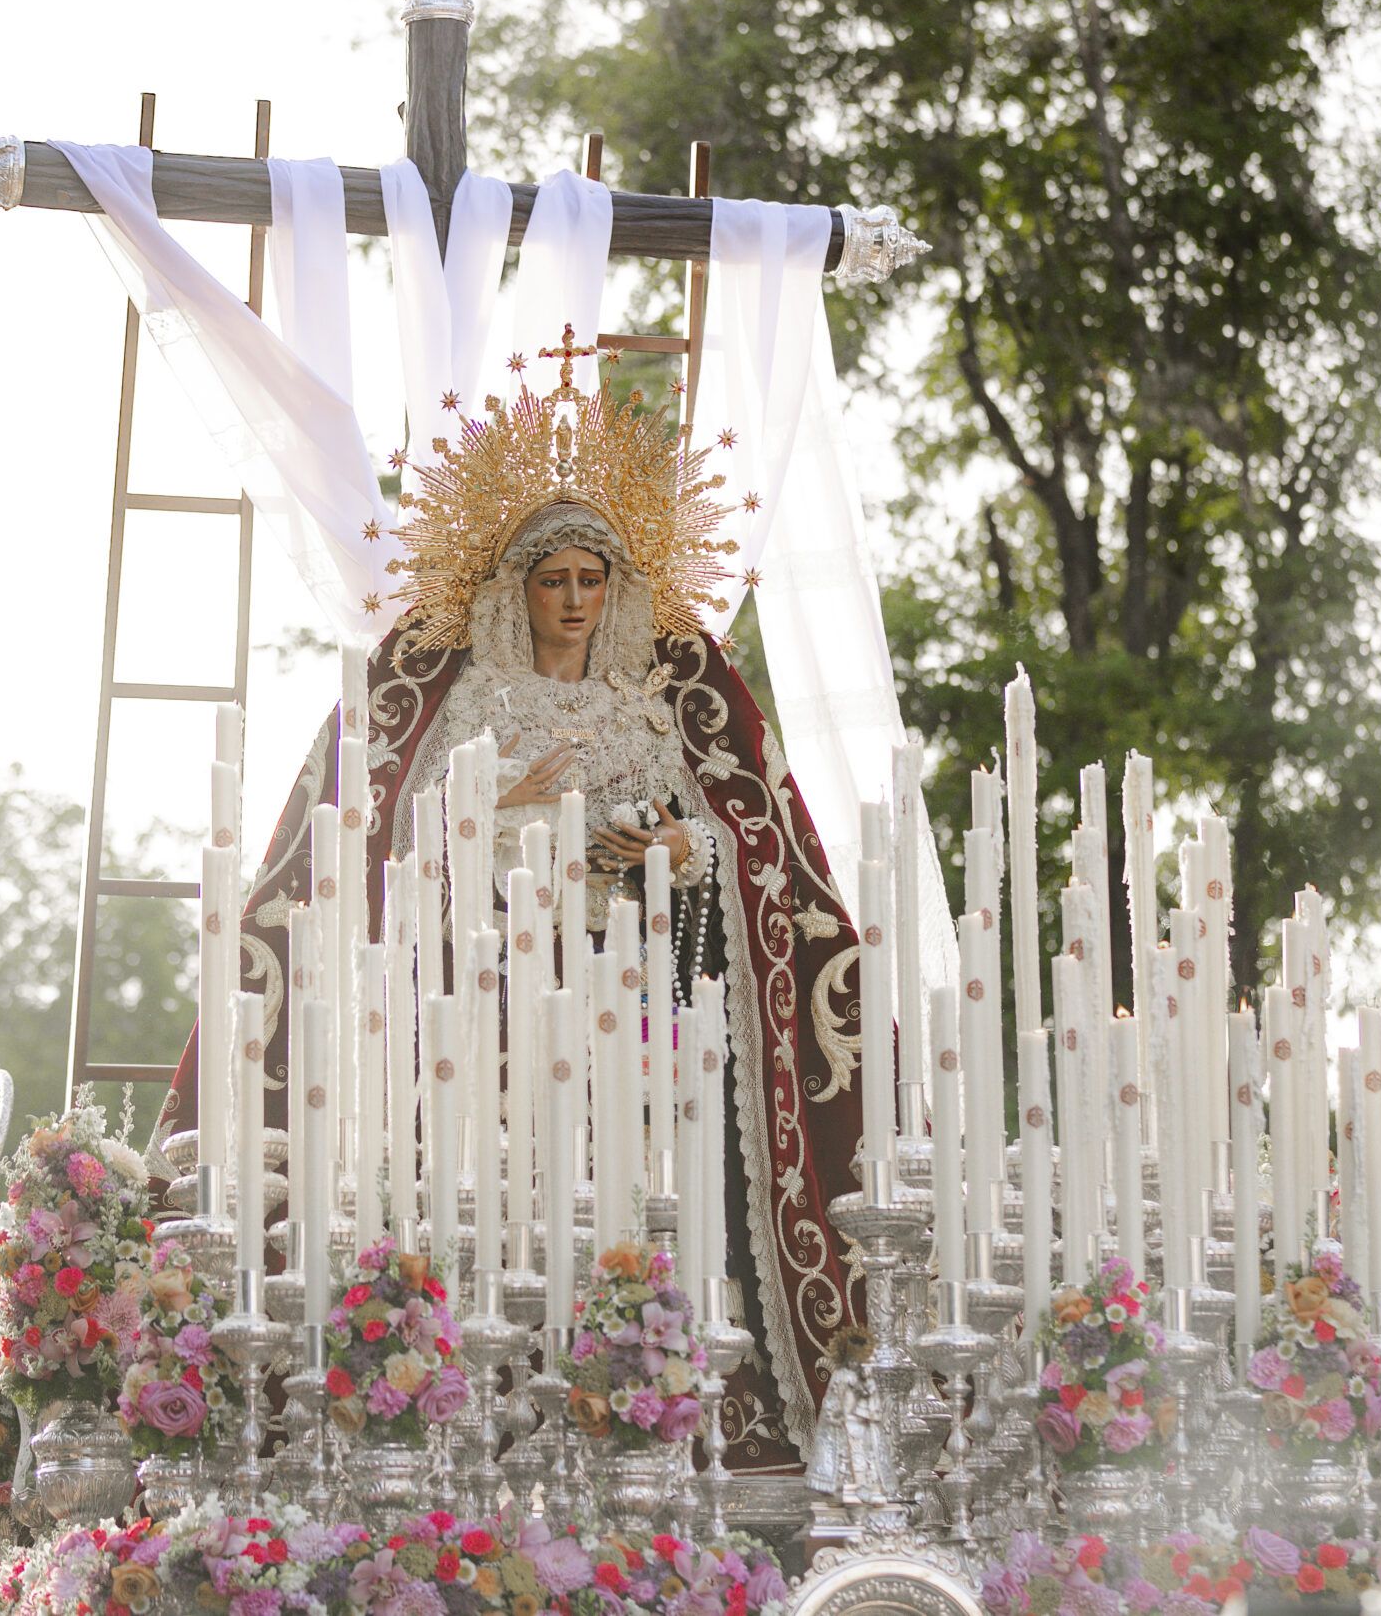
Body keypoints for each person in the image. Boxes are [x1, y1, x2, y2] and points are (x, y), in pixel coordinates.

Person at [161, 344, 868, 1471]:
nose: (575, 601)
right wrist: (487, 813)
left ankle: (654, 1402)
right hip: (489, 1003)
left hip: (634, 997)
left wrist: (678, 847)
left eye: (592, 579)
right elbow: (384, 850)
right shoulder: (466, 700)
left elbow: (743, 846)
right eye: (554, 581)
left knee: (637, 1192)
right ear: (516, 590)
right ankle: (468, 1398)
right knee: (497, 1197)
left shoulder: (656, 701)